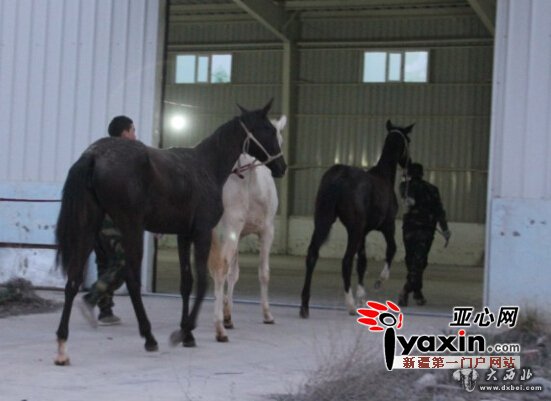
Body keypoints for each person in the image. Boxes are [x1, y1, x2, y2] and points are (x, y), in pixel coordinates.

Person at [79, 116, 137, 326]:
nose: (135, 135)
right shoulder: (123, 155)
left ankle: (105, 312)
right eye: (133, 130)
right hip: (111, 219)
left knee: (104, 263)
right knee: (123, 263)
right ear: (124, 133)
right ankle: (91, 298)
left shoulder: (98, 151)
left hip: (92, 218)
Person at [398, 162, 451, 307]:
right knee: (419, 261)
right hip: (426, 230)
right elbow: (439, 211)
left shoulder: (405, 186)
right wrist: (445, 229)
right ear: (422, 173)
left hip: (409, 229)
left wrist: (405, 180)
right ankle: (411, 290)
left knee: (412, 261)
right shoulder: (432, 189)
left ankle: (413, 291)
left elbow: (407, 199)